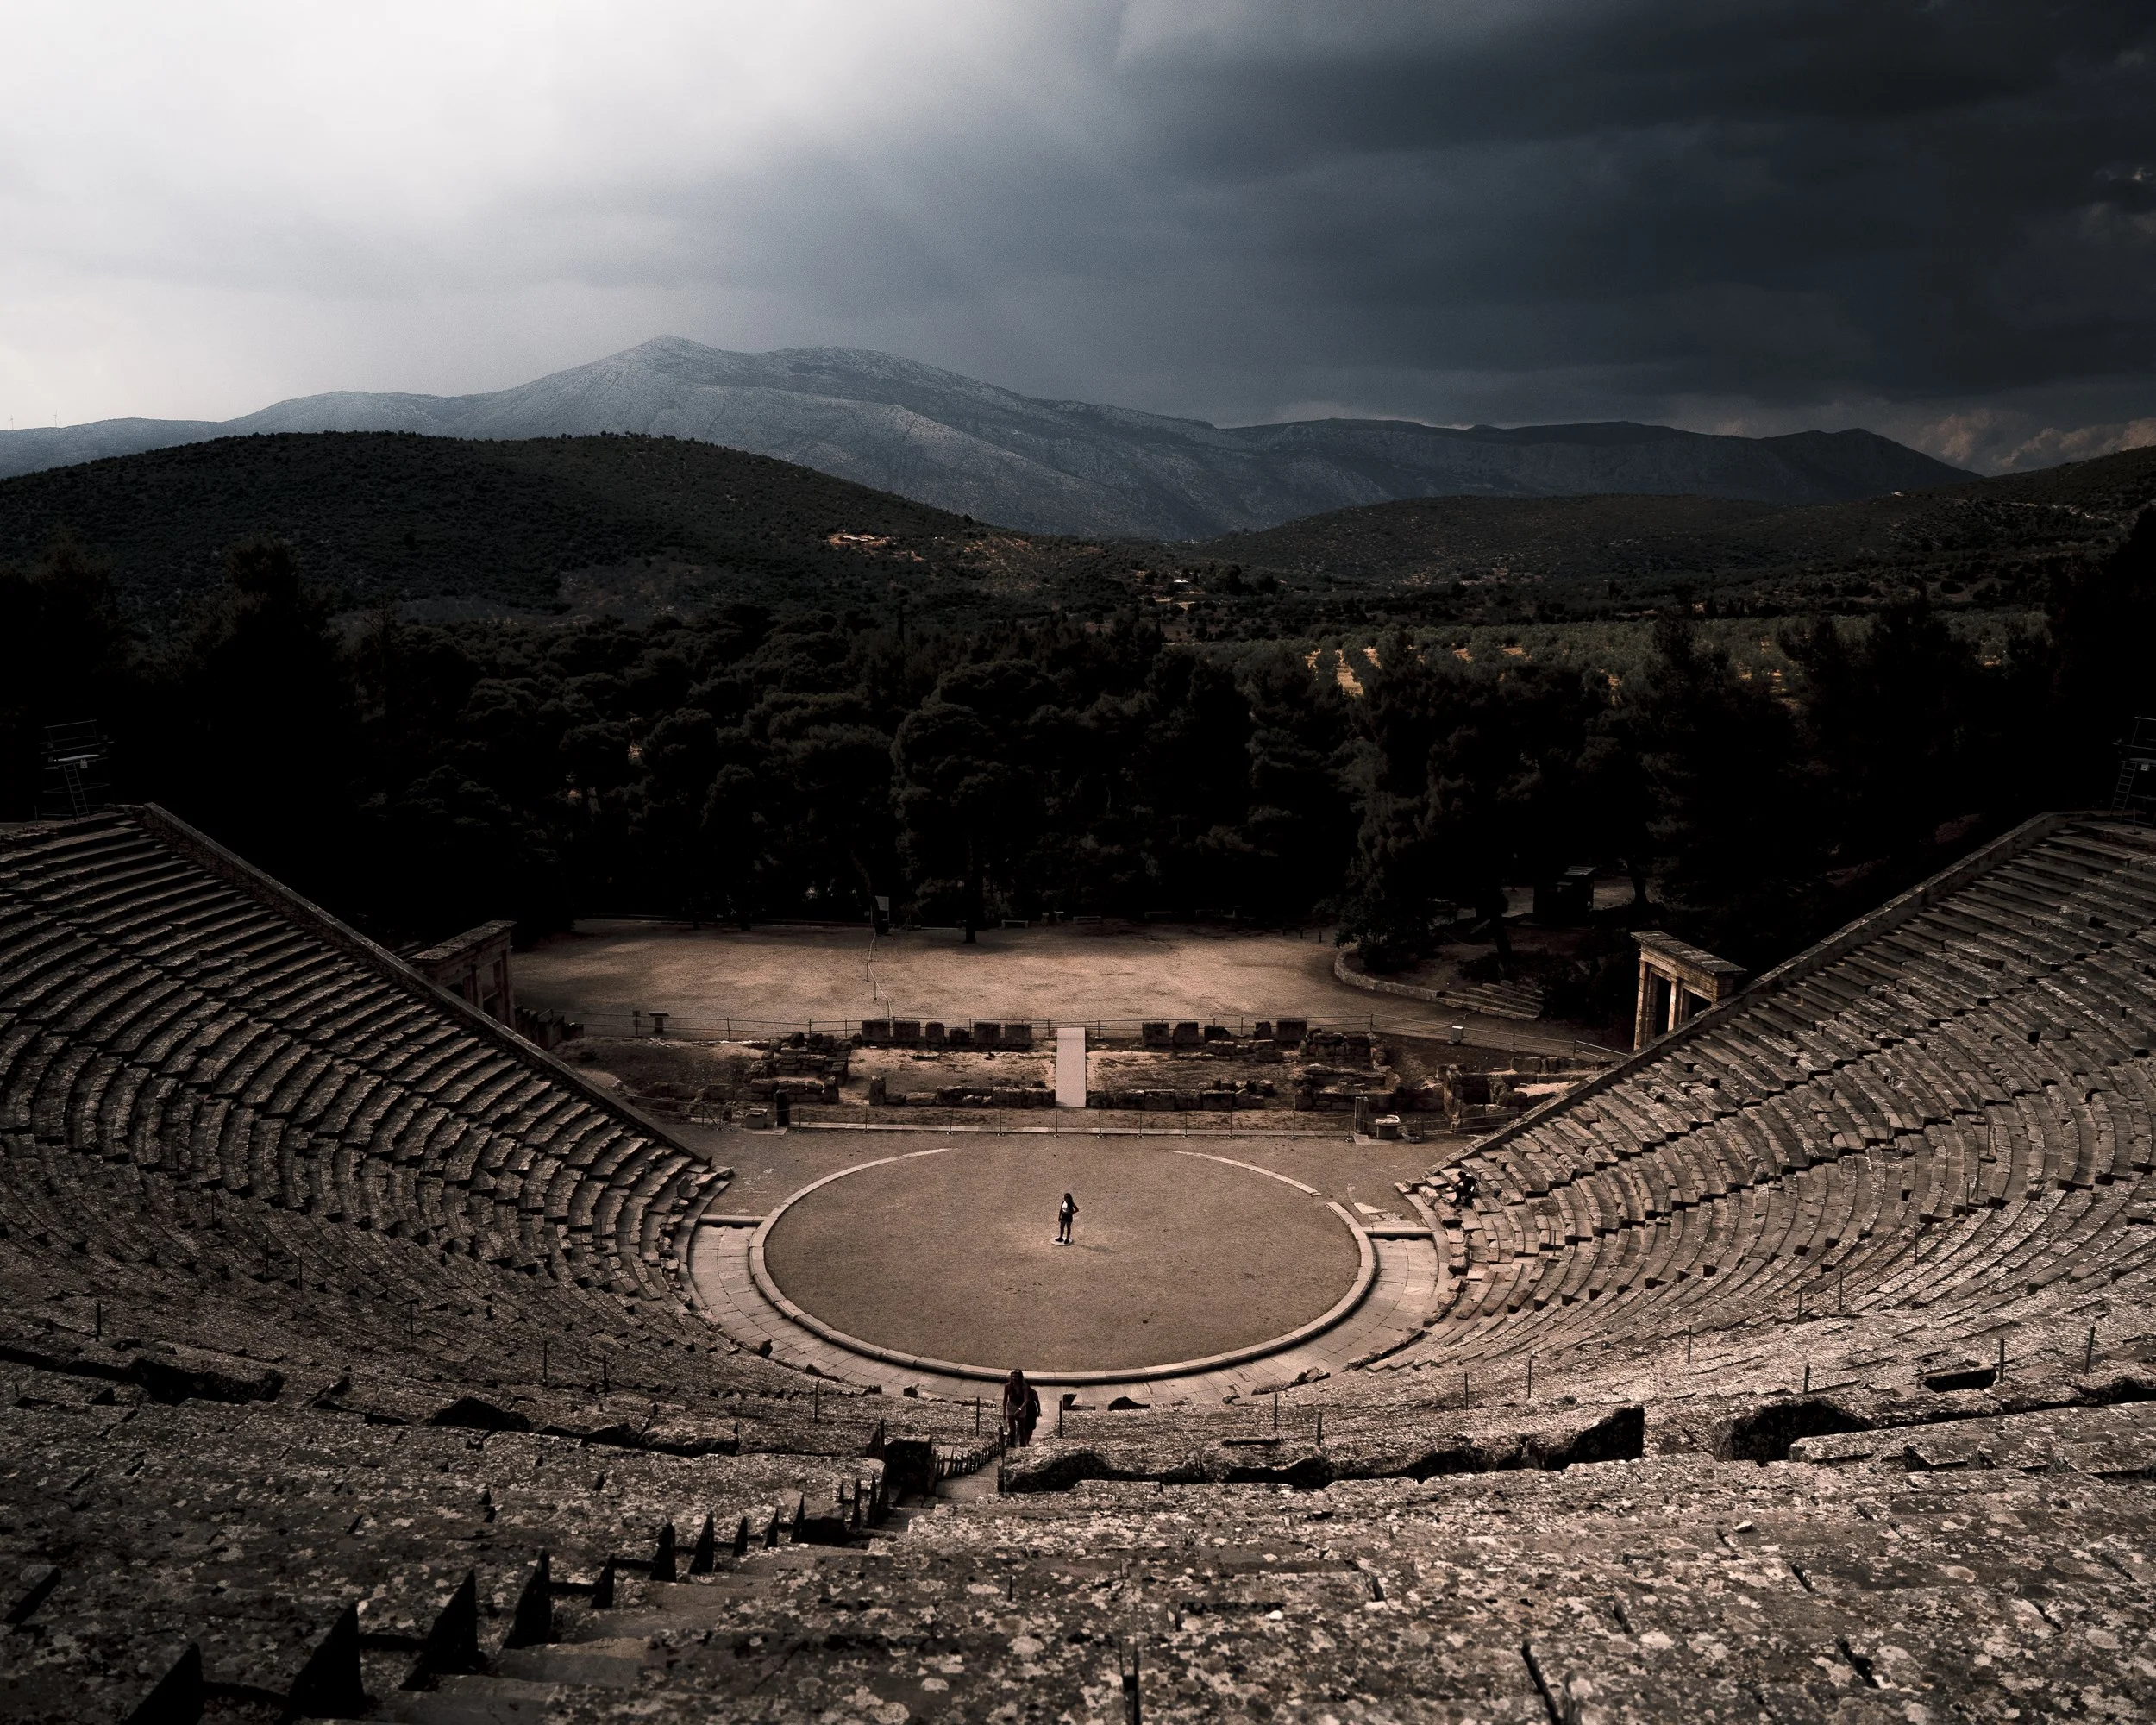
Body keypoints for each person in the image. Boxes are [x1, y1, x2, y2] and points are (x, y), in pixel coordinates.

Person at [1002, 1367, 1040, 1447]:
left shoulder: (1024, 1387)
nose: (1014, 1378)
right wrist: (1003, 1411)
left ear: (1020, 1377)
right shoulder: (1007, 1386)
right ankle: (1012, 1444)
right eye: (1013, 1376)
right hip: (1011, 1407)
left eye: (1016, 1376)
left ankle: (1022, 1445)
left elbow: (1026, 1400)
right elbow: (1005, 1399)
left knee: (1021, 1428)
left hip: (1021, 1407)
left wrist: (1020, 1409)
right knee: (1012, 1429)